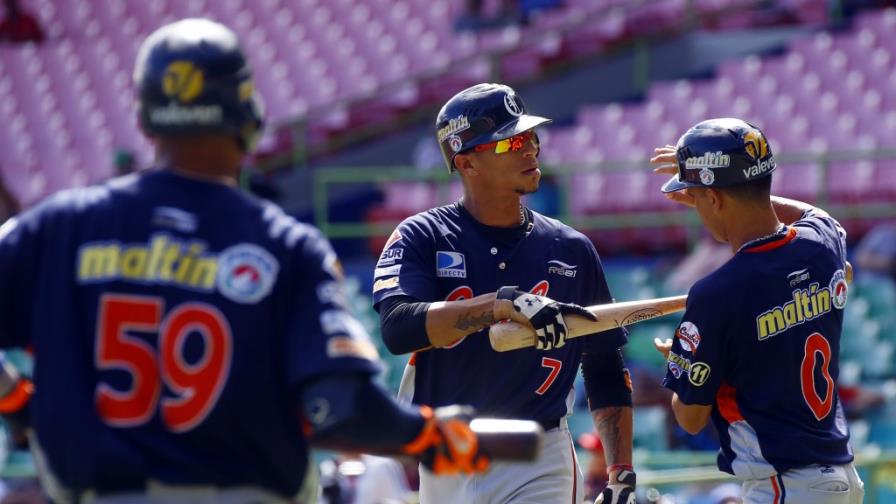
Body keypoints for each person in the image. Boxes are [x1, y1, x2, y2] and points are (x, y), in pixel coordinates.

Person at [0, 18, 504, 504]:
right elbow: (340, 410)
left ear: (145, 115)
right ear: (246, 112)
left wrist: (17, 403)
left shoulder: (59, 228)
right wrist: (434, 435)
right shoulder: (284, 245)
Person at [373, 82, 636, 504]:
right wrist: (502, 305)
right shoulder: (422, 235)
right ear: (466, 162)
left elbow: (604, 365)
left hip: (539, 450)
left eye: (531, 136)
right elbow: (397, 328)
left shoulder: (571, 248)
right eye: (511, 141)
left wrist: (620, 470)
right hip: (450, 451)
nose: (530, 148)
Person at [650, 118, 864, 503]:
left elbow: (690, 419)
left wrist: (683, 364)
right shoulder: (823, 242)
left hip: (784, 485)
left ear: (713, 198)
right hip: (842, 479)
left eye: (697, 197)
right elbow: (817, 215)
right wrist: (728, 185)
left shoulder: (716, 293)